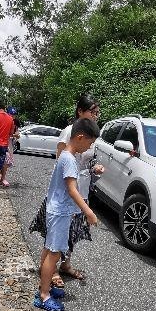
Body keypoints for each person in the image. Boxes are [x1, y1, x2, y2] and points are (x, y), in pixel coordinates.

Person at [29, 94, 104, 290]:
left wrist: (94, 167)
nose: (96, 115)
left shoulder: (85, 136)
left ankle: (51, 274)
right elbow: (67, 178)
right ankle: (46, 285)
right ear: (80, 111)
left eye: (97, 113)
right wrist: (88, 211)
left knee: (63, 239)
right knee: (54, 245)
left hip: (73, 195)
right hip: (65, 200)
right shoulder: (70, 141)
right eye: (92, 111)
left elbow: (85, 161)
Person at [36, 118, 100, 311]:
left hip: (56, 209)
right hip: (60, 212)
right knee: (54, 253)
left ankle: (44, 286)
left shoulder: (64, 155)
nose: (88, 147)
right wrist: (88, 211)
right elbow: (72, 190)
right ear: (80, 137)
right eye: (89, 143)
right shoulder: (70, 160)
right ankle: (44, 295)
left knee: (49, 249)